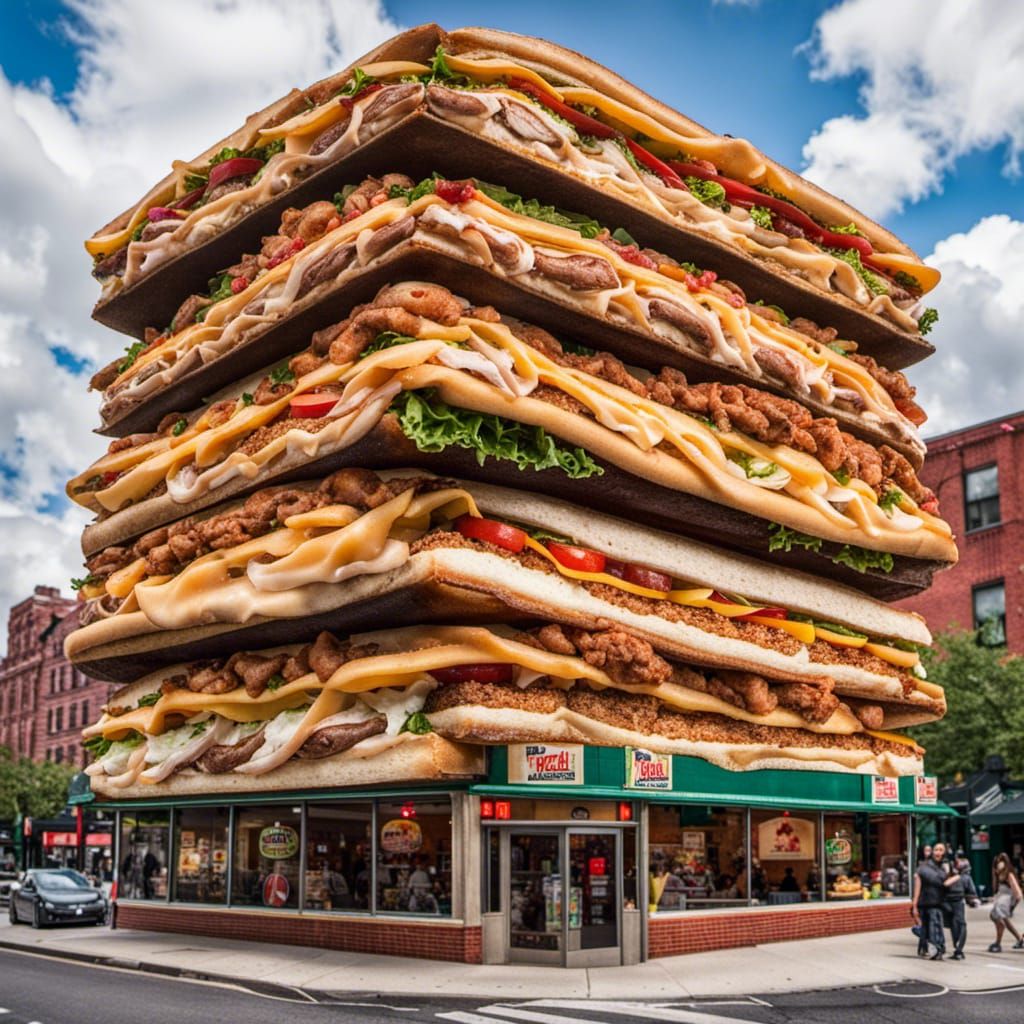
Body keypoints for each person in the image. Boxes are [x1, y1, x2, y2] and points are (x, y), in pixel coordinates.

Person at [911, 842, 959, 959]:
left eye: (941, 850)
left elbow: (947, 884)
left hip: (937, 902)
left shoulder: (943, 867)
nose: (938, 852)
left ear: (944, 852)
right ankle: (935, 949)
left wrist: (951, 873)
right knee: (930, 927)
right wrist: (914, 905)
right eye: (936, 849)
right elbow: (918, 886)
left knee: (935, 926)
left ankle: (936, 949)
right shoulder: (924, 868)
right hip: (926, 902)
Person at [988, 852, 1024, 952]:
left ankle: (998, 943)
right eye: (997, 863)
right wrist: (993, 873)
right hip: (1000, 900)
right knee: (1000, 919)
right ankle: (1020, 939)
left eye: (1001, 862)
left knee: (999, 919)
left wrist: (1012, 906)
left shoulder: (1009, 875)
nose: (999, 865)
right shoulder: (999, 875)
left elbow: (1018, 893)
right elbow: (995, 888)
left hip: (1005, 902)